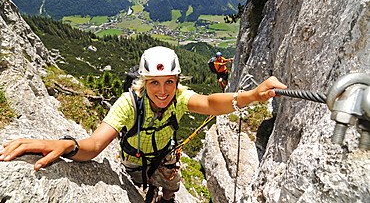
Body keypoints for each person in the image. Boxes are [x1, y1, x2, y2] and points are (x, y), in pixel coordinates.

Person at [0, 46, 287, 203]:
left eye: (169, 83)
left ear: (177, 82)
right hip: (135, 162)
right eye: (154, 83)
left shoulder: (179, 97)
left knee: (170, 185)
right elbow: (94, 146)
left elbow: (211, 103)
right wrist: (67, 145)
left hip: (165, 156)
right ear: (143, 82)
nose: (162, 91)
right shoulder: (129, 104)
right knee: (142, 186)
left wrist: (250, 96)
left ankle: (168, 199)